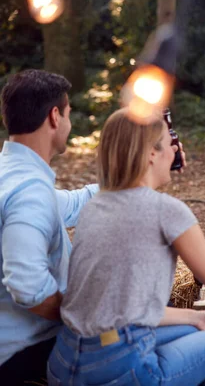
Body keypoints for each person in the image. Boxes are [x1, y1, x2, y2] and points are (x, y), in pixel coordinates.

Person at [47, 108, 205, 386]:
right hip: (117, 368)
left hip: (65, 361)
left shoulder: (95, 205)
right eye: (170, 143)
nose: (175, 150)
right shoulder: (166, 212)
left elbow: (126, 307)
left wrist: (194, 316)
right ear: (151, 153)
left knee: (195, 329)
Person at [0, 69, 100, 383]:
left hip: (24, 343)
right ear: (54, 117)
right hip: (26, 352)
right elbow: (28, 289)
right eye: (68, 115)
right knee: (137, 343)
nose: (69, 124)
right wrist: (84, 317)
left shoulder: (13, 175)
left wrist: (136, 177)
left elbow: (71, 204)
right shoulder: (28, 193)